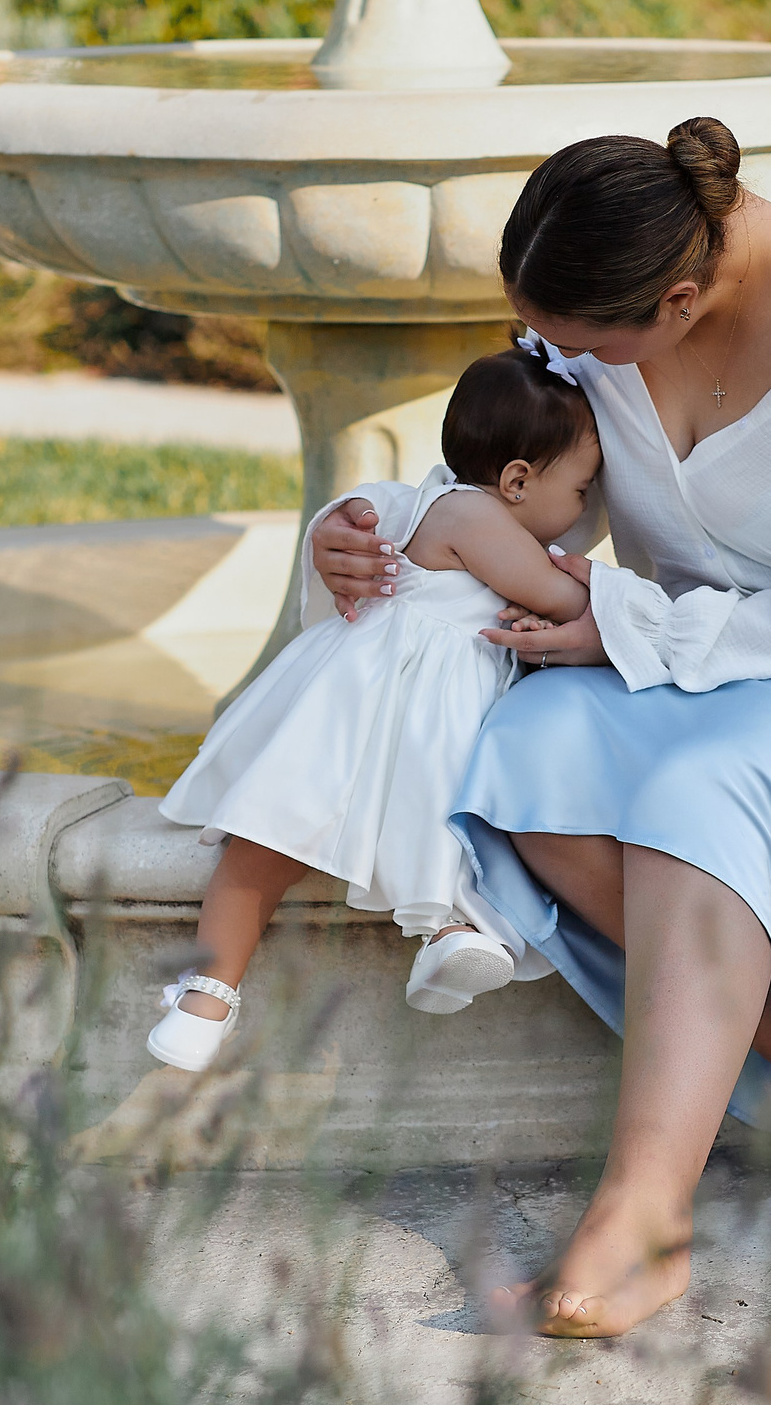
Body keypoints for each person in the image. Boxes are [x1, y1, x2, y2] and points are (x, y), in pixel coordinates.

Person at [306, 117, 771, 1337]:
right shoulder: (603, 317)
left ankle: (643, 1219)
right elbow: (537, 488)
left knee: (695, 798)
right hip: (699, 654)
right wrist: (375, 530)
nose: (553, 360)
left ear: (683, 296)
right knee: (517, 761)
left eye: (583, 344)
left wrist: (632, 632)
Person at [147, 345, 604, 1071]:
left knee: (286, 838)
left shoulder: (443, 503)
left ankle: (219, 989)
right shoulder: (475, 517)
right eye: (583, 489)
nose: (587, 509)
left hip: (375, 700)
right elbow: (566, 601)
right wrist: (596, 590)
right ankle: (430, 934)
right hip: (403, 705)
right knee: (395, 822)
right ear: (517, 479)